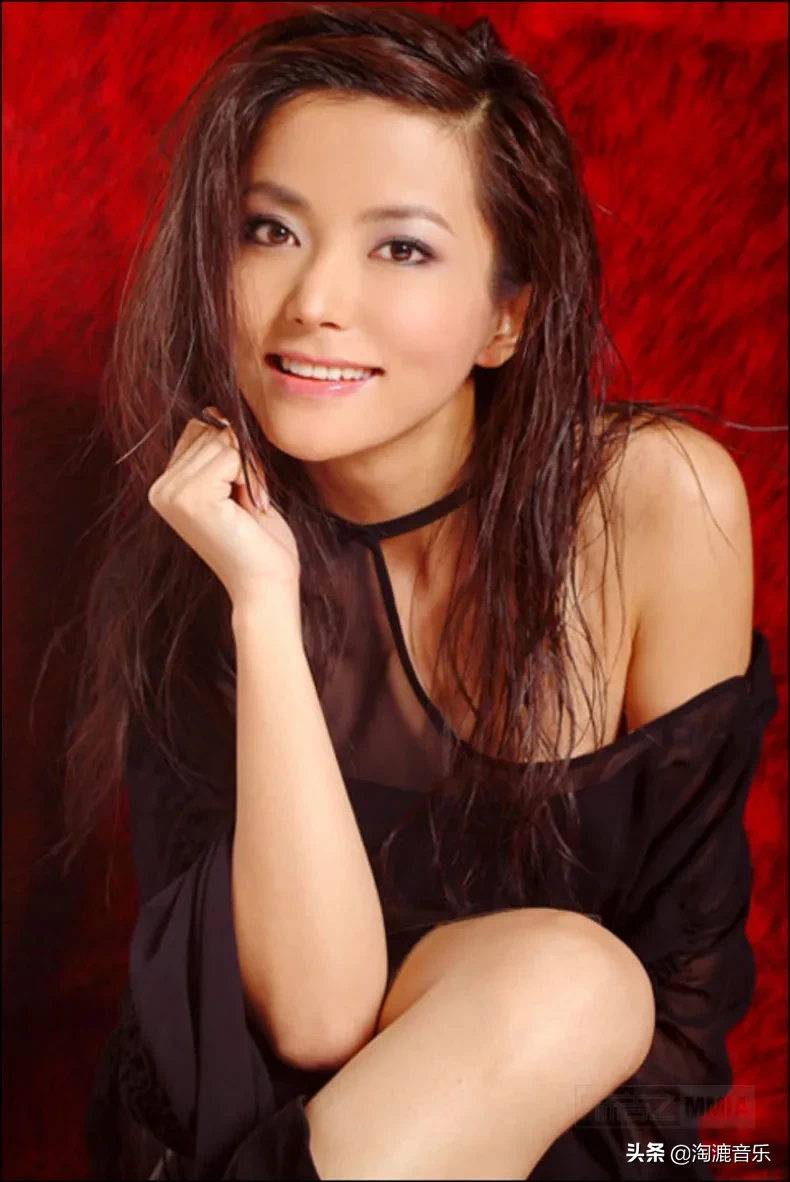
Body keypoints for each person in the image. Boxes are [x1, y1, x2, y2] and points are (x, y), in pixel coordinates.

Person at [42, 4, 778, 1179]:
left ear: (507, 316)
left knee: (575, 981)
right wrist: (263, 604)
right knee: (566, 977)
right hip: (246, 1120)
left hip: (561, 1109)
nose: (314, 300)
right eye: (270, 230)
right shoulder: (204, 534)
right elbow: (310, 1021)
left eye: (400, 248)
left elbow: (683, 986)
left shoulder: (655, 503)